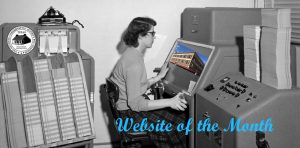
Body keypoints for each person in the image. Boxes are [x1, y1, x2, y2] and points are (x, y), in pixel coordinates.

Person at [109, 17, 187, 148]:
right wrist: (170, 102)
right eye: (152, 33)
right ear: (141, 36)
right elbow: (136, 104)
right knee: (176, 127)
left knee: (181, 118)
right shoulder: (134, 64)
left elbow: (136, 86)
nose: (154, 37)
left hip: (125, 111)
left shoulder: (132, 53)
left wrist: (157, 78)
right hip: (130, 116)